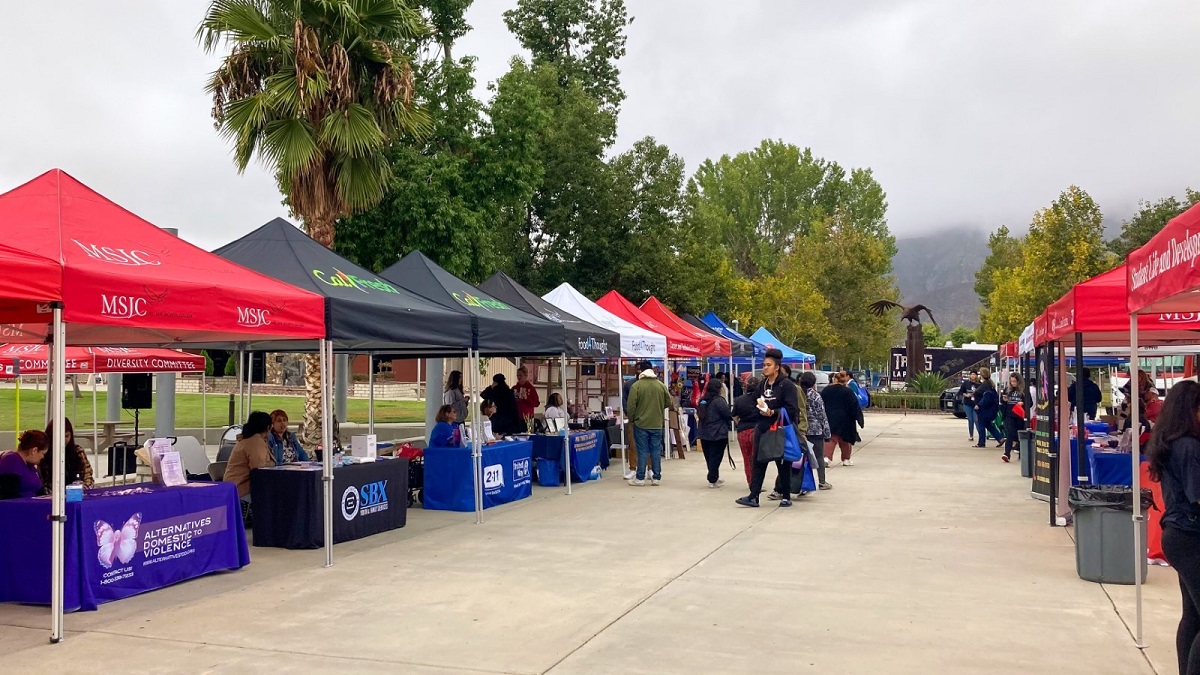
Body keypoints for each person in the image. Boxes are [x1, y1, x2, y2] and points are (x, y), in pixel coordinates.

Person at [1146, 380, 1200, 675]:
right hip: (1189, 535)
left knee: (1192, 616)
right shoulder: (1189, 447)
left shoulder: (1171, 442)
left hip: (1178, 535)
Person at [736, 348, 799, 508]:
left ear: (777, 367)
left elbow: (792, 410)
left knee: (782, 464)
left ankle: (786, 496)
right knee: (758, 462)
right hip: (762, 429)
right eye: (764, 365)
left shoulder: (786, 385)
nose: (765, 368)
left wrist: (773, 412)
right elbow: (755, 400)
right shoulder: (762, 384)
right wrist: (760, 409)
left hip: (779, 429)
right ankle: (753, 496)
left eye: (768, 365)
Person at [626, 364, 674, 486]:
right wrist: (657, 408)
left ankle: (640, 478)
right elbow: (668, 401)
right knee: (656, 450)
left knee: (642, 451)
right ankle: (656, 477)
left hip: (641, 424)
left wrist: (632, 419)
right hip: (657, 424)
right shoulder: (661, 386)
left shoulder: (636, 386)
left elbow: (630, 406)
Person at [223, 411, 273, 501]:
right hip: (242, 490)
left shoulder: (247, 438)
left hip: (233, 488)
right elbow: (259, 468)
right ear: (268, 427)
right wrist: (272, 464)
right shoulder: (256, 441)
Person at [821, 371, 864, 467]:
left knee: (831, 438)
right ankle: (846, 459)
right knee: (846, 440)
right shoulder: (848, 392)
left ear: (835, 379)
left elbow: (820, 403)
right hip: (846, 419)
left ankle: (827, 458)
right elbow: (854, 406)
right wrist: (859, 419)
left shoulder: (826, 390)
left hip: (830, 417)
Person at [698, 378, 733, 488]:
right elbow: (728, 415)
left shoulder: (703, 400)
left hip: (704, 433)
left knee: (709, 457)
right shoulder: (719, 401)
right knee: (716, 457)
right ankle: (712, 479)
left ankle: (714, 476)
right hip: (718, 434)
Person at [40, 417, 94, 489]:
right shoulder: (43, 453)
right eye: (60, 436)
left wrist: (82, 488)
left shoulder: (78, 451)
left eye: (67, 436)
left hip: (76, 493)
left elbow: (88, 476)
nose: (64, 440)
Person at [800, 371, 833, 490]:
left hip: (801, 430)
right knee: (819, 456)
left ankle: (802, 481)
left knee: (802, 458)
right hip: (816, 430)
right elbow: (822, 415)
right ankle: (822, 481)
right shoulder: (816, 396)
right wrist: (827, 433)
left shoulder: (798, 394)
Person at [0, 430, 49, 498]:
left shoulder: (30, 465)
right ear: (34, 450)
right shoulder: (11, 461)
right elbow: (10, 495)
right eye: (43, 453)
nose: (43, 457)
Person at [732, 376, 761, 485]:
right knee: (757, 459)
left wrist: (739, 424)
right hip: (758, 430)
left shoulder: (739, 400)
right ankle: (757, 482)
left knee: (747, 459)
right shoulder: (761, 400)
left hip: (743, 430)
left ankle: (751, 482)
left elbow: (734, 416)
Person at [973, 367, 1005, 448]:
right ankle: (1000, 438)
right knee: (988, 425)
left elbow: (987, 397)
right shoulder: (989, 384)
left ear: (982, 375)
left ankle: (981, 442)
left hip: (984, 409)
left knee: (981, 425)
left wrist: (979, 405)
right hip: (990, 409)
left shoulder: (985, 385)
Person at [1001, 374, 1028, 463]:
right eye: (1011, 381)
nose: (1013, 383)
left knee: (1019, 434)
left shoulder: (1024, 391)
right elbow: (1002, 401)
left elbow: (1030, 402)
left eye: (1014, 381)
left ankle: (1021, 451)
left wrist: (1023, 403)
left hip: (1019, 415)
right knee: (1010, 434)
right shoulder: (1007, 390)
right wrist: (1004, 400)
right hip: (1009, 415)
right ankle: (1006, 454)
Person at [958, 370, 981, 443]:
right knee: (970, 419)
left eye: (974, 374)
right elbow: (961, 392)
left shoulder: (979, 384)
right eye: (971, 374)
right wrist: (966, 395)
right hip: (968, 403)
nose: (973, 376)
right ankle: (971, 435)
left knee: (976, 420)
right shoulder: (966, 383)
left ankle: (981, 435)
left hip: (976, 404)